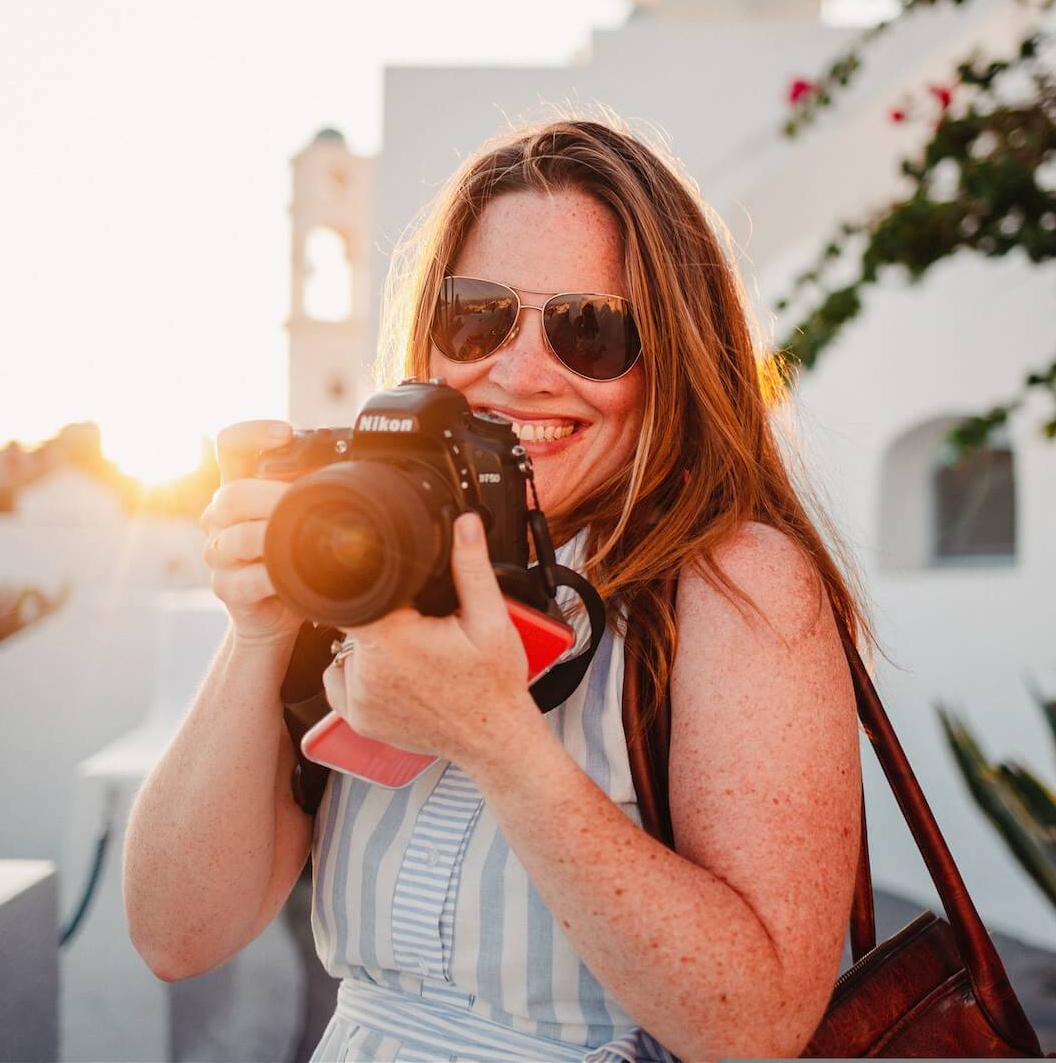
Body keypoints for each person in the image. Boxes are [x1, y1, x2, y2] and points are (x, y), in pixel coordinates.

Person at [123, 116, 870, 1062]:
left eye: (589, 331)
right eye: (476, 315)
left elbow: (753, 1025)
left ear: (675, 359)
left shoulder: (731, 580)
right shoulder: (381, 560)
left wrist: (495, 740)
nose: (516, 374)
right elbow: (176, 935)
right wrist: (261, 629)